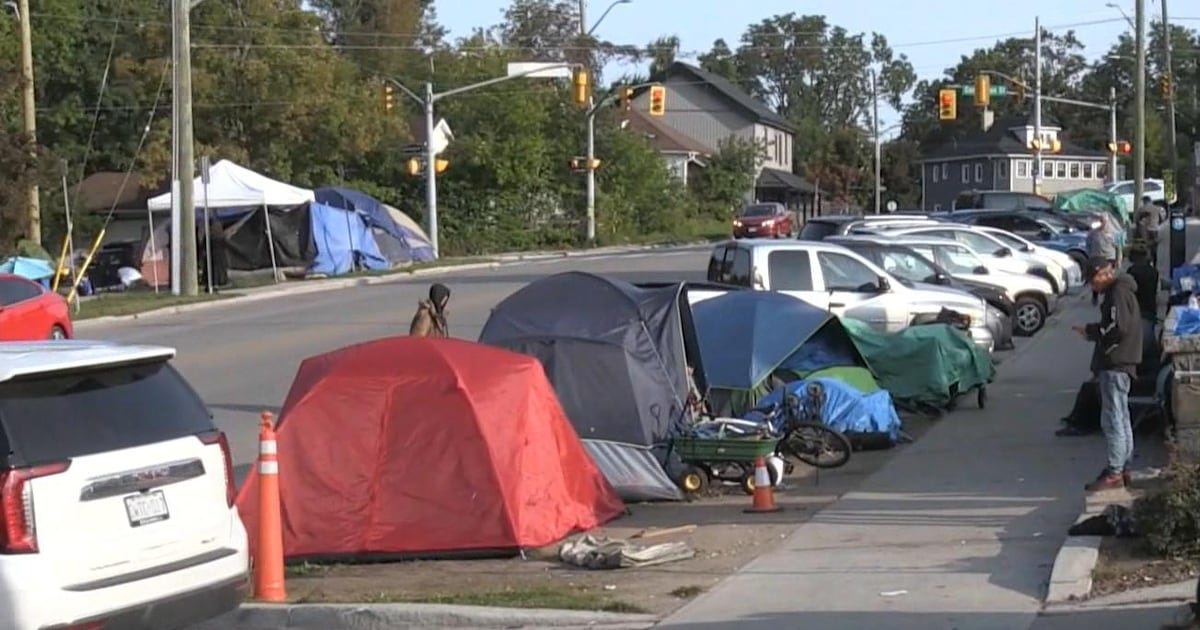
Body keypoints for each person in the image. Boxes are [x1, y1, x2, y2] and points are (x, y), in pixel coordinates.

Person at [1073, 257, 1143, 492]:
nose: (1093, 287)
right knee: (1121, 418)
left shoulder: (1117, 293)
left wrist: (1094, 333)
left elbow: (1117, 327)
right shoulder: (1123, 290)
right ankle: (1123, 467)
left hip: (1116, 362)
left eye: (1093, 281)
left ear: (1103, 274)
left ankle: (1115, 470)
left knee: (1113, 419)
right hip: (1124, 362)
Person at [1126, 246, 1161, 371]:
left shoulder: (1131, 272)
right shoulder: (1153, 272)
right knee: (1148, 337)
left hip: (1136, 311)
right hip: (1149, 309)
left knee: (1138, 340)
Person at [1086, 214, 1117, 305]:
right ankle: (1095, 296)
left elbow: (1118, 247)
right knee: (1097, 278)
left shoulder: (1112, 233)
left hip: (1109, 258)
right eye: (1101, 221)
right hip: (1097, 258)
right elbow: (1088, 245)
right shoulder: (1093, 233)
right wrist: (1090, 256)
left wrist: (1118, 259)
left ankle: (1109, 297)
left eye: (1104, 221)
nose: (1103, 223)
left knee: (1109, 279)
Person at [1133, 195, 1161, 262]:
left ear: (1144, 201)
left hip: (1145, 229)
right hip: (1155, 229)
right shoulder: (1157, 208)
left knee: (1146, 245)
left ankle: (1148, 260)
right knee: (1154, 245)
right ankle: (1155, 260)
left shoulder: (1141, 209)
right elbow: (1161, 218)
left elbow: (1136, 220)